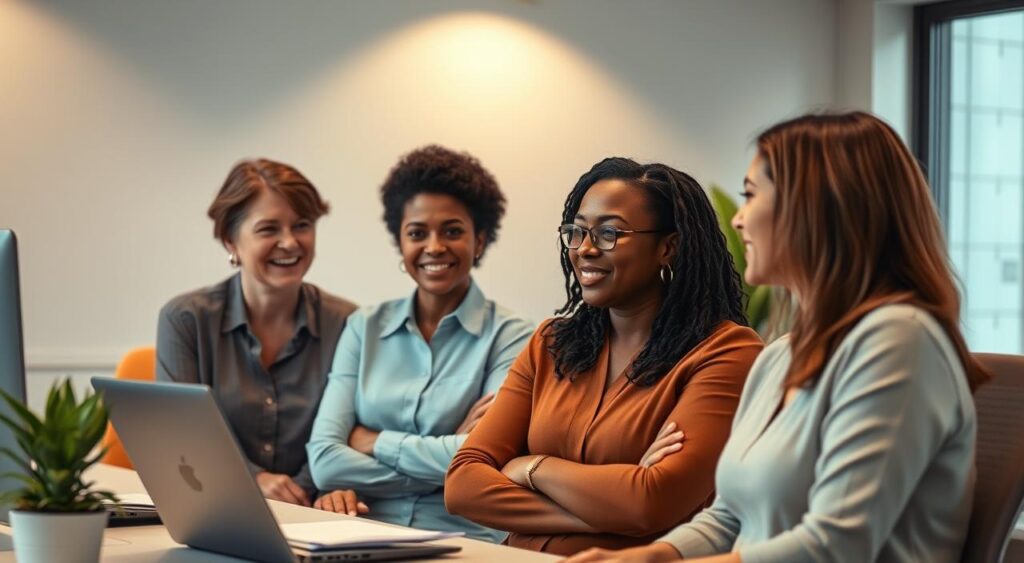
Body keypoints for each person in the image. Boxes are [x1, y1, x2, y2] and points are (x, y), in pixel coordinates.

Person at [565, 112, 989, 563]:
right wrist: (656, 556)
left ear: (817, 207)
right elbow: (730, 519)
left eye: (750, 195)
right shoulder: (779, 356)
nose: (740, 220)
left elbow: (837, 546)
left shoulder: (899, 342)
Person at [444, 157, 764, 555]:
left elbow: (651, 503)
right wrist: (607, 505)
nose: (587, 249)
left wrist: (531, 467)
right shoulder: (550, 343)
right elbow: (462, 485)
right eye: (577, 232)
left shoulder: (726, 353)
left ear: (668, 247)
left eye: (610, 233)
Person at [306, 145, 533, 541]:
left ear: (479, 240)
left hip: (465, 538)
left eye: (452, 231)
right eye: (417, 233)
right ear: (401, 242)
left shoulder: (513, 337)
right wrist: (449, 460)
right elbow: (325, 462)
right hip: (360, 531)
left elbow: (491, 462)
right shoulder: (363, 327)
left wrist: (373, 441)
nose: (433, 247)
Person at [157, 158, 358, 511]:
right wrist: (254, 479)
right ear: (230, 241)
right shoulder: (186, 319)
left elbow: (351, 432)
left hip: (317, 515)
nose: (290, 242)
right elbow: (181, 436)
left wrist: (309, 490)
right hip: (217, 509)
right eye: (268, 229)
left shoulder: (348, 322)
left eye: (302, 225)